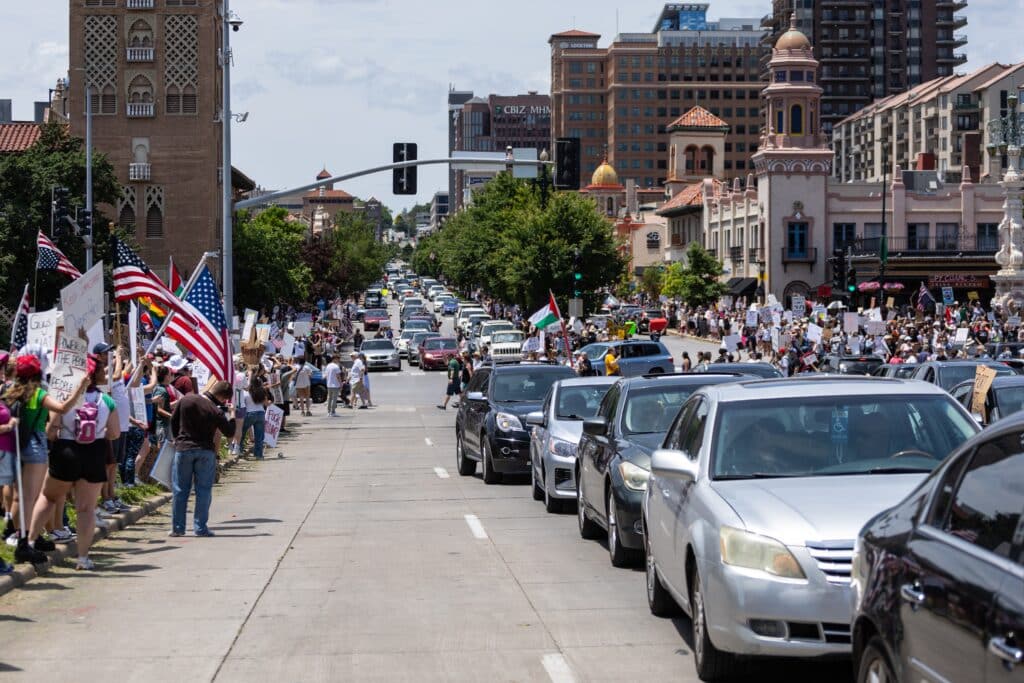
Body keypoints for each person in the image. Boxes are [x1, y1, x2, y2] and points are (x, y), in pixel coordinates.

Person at [26, 354, 119, 570]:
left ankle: (29, 542)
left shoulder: (62, 397)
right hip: (95, 451)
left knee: (49, 497)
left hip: (66, 449)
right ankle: (83, 558)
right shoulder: (106, 401)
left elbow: (50, 432)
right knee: (86, 509)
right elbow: (113, 433)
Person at [3, 354, 89, 557]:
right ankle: (24, 543)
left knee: (19, 497)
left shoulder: (9, 392)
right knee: (31, 497)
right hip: (35, 446)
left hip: (14, 445)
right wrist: (80, 387)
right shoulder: (39, 393)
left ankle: (20, 536)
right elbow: (62, 408)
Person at [168, 380, 235, 537]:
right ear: (223, 397)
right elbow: (230, 432)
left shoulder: (186, 400)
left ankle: (178, 528)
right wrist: (232, 414)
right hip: (205, 451)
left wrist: (177, 438)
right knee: (203, 490)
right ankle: (200, 527)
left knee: (180, 490)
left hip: (184, 448)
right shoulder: (215, 410)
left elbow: (173, 420)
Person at [241, 376, 267, 459]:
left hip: (250, 413)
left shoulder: (245, 393)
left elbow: (243, 404)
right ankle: (258, 455)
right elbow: (265, 403)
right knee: (259, 436)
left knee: (242, 432)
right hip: (261, 413)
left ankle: (240, 450)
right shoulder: (262, 391)